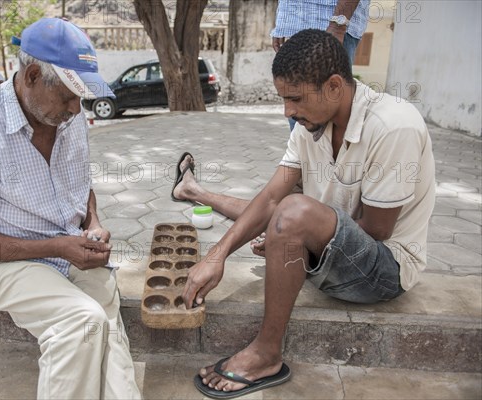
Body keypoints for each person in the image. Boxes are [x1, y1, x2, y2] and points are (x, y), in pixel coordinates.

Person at [177, 29, 435, 399]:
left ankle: (267, 353)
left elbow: (376, 231)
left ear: (333, 86)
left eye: (294, 99)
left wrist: (303, 246)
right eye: (284, 99)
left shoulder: (393, 126)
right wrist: (216, 256)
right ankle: (194, 191)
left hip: (383, 270)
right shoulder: (310, 123)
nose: (288, 112)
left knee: (292, 214)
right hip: (335, 245)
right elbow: (269, 199)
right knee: (282, 212)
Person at [0, 18, 141, 400]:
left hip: (69, 251)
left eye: (81, 97)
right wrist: (58, 247)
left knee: (107, 330)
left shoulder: (68, 117)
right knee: (81, 322)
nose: (76, 108)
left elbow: (81, 188)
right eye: (68, 96)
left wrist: (92, 223)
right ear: (31, 75)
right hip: (5, 263)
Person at [271, 0, 370, 131]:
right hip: (294, 23)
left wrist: (338, 24)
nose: (286, 112)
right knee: (300, 120)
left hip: (330, 23)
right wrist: (282, 22)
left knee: (324, 120)